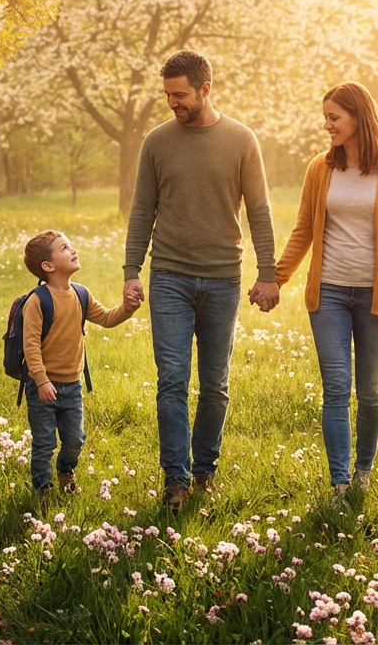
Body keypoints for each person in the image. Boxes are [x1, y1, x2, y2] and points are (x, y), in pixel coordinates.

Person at [123, 50, 279, 511]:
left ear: (205, 88)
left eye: (180, 94)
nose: (172, 102)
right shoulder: (156, 142)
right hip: (169, 273)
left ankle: (204, 470)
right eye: (167, 94)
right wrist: (132, 271)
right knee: (172, 380)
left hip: (222, 278)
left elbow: (260, 210)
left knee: (215, 384)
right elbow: (141, 211)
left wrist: (267, 272)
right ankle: (176, 479)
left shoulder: (241, 140)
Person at [275, 81, 378, 497]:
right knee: (335, 389)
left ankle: (364, 472)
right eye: (325, 118)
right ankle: (340, 484)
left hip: (377, 296)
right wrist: (276, 278)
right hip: (330, 294)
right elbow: (303, 230)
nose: (327, 125)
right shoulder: (320, 168)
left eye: (334, 118)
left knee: (370, 391)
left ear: (359, 117)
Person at [21, 230, 140, 498]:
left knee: (75, 440)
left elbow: (108, 318)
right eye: (64, 248)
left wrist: (128, 308)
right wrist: (40, 380)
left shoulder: (81, 294)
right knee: (43, 443)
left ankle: (65, 469)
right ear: (48, 266)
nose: (73, 250)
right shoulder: (37, 301)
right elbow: (30, 346)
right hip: (43, 388)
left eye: (71, 246)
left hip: (72, 386)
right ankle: (43, 489)